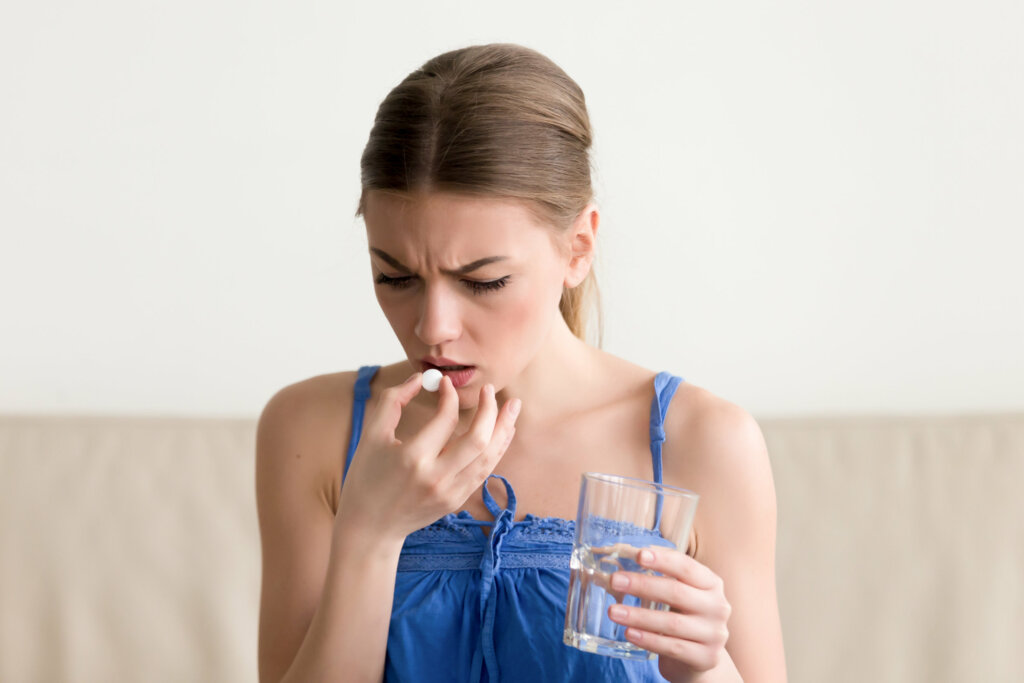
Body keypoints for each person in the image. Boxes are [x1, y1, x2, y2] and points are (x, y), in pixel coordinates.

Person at [255, 43, 787, 683]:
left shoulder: (702, 441)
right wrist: (369, 536)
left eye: (483, 282)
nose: (432, 327)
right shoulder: (314, 429)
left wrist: (703, 668)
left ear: (578, 248)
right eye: (395, 277)